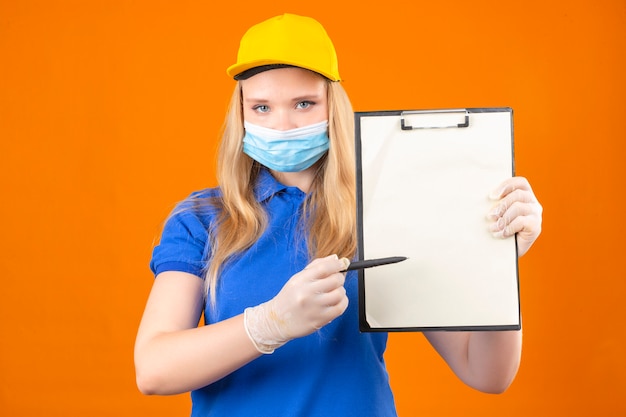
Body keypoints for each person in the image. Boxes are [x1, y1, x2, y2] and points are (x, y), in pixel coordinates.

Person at [134, 13, 543, 417]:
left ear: (334, 105)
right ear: (239, 114)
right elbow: (153, 369)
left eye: (304, 103)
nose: (283, 123)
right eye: (261, 107)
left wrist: (498, 263)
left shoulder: (384, 212)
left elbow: (486, 372)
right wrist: (270, 323)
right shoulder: (203, 219)